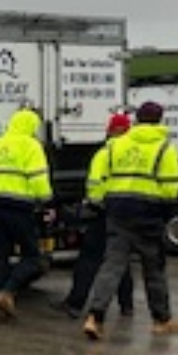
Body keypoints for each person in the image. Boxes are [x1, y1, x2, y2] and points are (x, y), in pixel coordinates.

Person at [82, 100, 178, 339]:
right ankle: (161, 320)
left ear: (137, 120)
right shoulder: (164, 148)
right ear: (159, 120)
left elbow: (98, 183)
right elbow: (170, 189)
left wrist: (101, 202)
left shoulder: (115, 145)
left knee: (112, 266)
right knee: (153, 268)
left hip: (117, 210)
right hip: (149, 212)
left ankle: (95, 317)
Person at [61, 112, 137, 320]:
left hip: (106, 212)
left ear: (110, 130)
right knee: (121, 260)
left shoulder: (105, 153)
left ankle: (75, 303)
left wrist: (93, 204)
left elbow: (95, 186)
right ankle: (127, 305)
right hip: (130, 212)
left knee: (89, 259)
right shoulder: (136, 153)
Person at [0, 107, 52, 321]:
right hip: (20, 208)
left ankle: (0, 304)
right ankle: (7, 292)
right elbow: (38, 178)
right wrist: (46, 199)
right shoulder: (31, 145)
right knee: (33, 257)